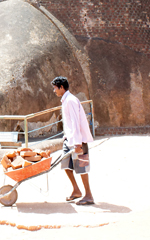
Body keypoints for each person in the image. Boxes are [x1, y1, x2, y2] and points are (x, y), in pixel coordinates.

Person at [51, 76, 95, 205]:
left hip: (77, 140)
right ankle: (76, 190)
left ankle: (88, 195)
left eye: (55, 88)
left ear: (61, 87)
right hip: (69, 139)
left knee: (81, 166)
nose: (54, 91)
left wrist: (78, 143)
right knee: (66, 165)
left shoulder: (70, 101)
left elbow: (76, 122)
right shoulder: (65, 100)